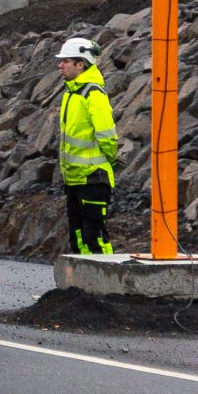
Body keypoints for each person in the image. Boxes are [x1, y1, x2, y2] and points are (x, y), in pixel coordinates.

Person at [53, 34, 121, 255]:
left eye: (66, 61)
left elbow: (108, 137)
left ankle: (109, 285)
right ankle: (82, 286)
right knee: (79, 238)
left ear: (80, 64)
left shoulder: (93, 94)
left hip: (93, 178)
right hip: (75, 179)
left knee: (95, 238)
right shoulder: (71, 93)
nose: (60, 65)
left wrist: (107, 160)